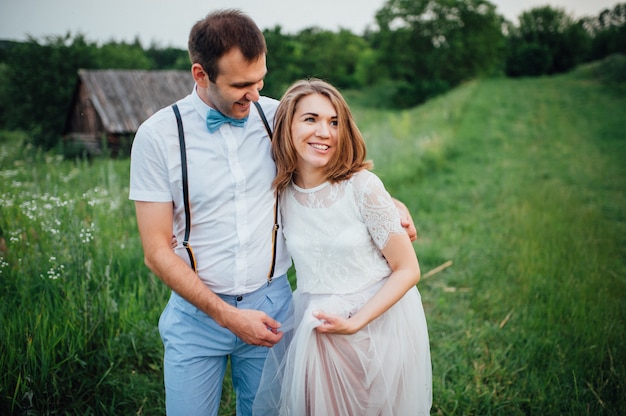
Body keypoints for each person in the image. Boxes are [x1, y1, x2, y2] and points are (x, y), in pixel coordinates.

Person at [129, 9, 417, 416]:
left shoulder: (277, 116)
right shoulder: (157, 137)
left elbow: (334, 167)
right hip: (197, 315)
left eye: (260, 81)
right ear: (201, 75)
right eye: (241, 85)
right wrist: (229, 316)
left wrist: (391, 205)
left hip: (273, 309)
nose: (255, 94)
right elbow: (156, 250)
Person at [253, 79, 432, 415]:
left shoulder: (362, 187)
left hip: (378, 324)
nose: (325, 132)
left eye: (334, 122)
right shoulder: (280, 194)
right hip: (319, 329)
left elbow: (408, 269)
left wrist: (357, 321)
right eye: (311, 119)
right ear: (286, 125)